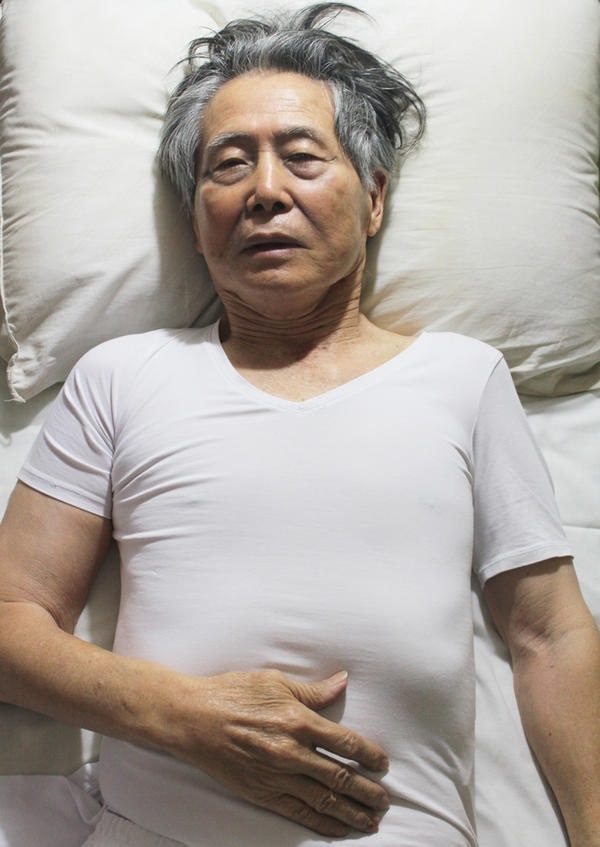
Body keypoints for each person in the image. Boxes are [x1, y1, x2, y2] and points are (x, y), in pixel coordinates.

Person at [0, 4, 598, 846]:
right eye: (228, 165)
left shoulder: (464, 378)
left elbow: (550, 632)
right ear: (196, 219)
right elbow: (10, 616)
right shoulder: (121, 377)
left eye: (303, 157)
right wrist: (184, 716)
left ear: (374, 199)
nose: (265, 191)